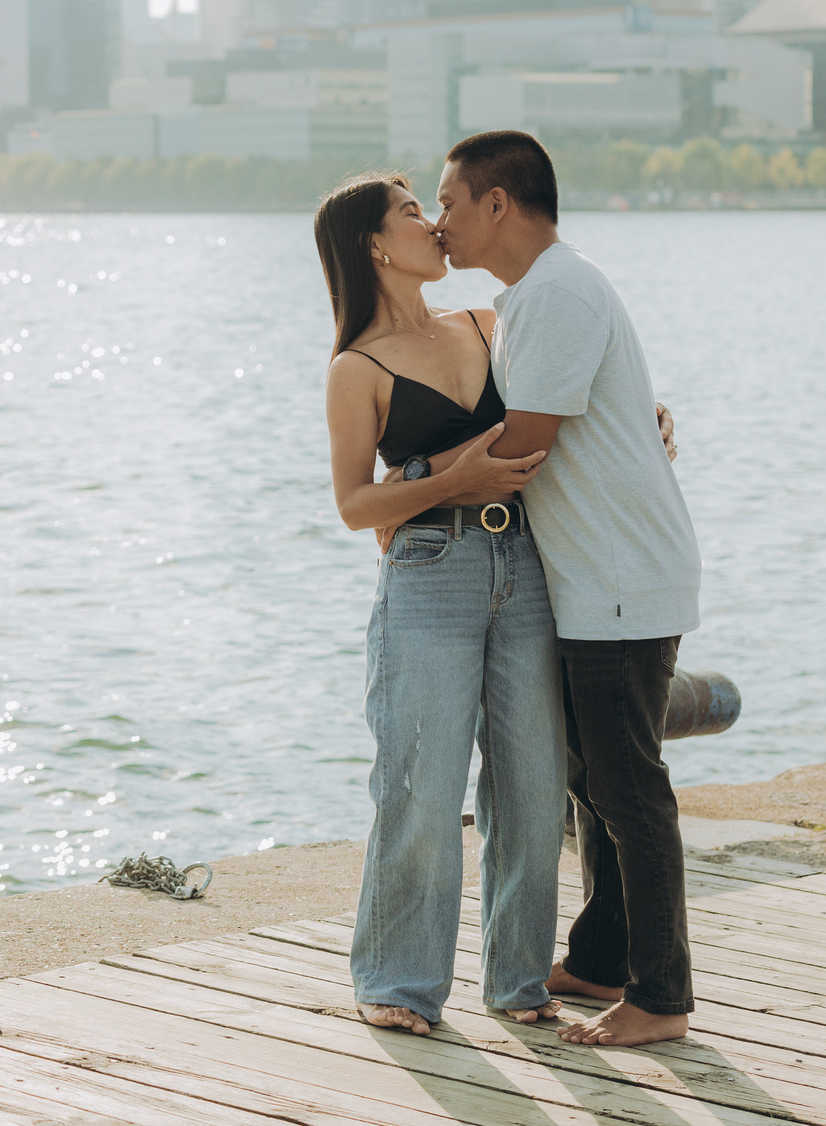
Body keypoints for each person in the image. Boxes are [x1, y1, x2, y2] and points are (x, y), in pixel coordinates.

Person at [433, 129, 702, 1048]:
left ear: (497, 203)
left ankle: (661, 994)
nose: (440, 222)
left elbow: (523, 446)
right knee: (591, 780)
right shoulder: (537, 295)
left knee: (628, 788)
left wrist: (408, 489)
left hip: (621, 576)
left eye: (449, 202)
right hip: (600, 575)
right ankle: (600, 958)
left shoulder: (554, 292)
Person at [313, 172, 564, 1036]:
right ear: (376, 245)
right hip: (430, 573)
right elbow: (353, 505)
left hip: (526, 564)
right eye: (414, 212)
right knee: (420, 787)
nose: (435, 223)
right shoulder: (357, 368)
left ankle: (520, 979)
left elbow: (565, 407)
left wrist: (649, 414)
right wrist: (443, 481)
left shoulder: (490, 324)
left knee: (533, 785)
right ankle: (399, 980)